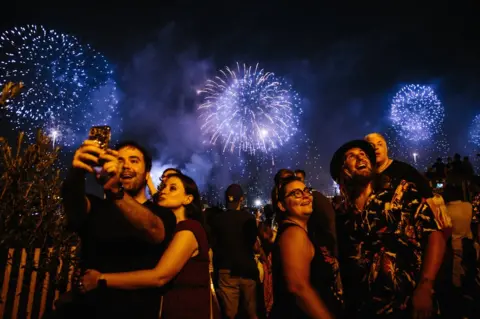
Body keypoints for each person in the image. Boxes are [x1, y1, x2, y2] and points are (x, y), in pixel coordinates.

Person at [332, 140, 448, 318]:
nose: (361, 156)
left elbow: (435, 233)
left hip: (409, 305)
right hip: (364, 310)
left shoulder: (401, 193)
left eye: (363, 154)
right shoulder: (342, 216)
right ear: (344, 171)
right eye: (351, 156)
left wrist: (426, 285)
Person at [61, 140, 177, 318]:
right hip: (87, 311)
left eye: (134, 160)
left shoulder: (162, 214)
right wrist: (77, 172)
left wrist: (115, 191)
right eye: (120, 160)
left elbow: (154, 231)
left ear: (147, 174)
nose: (126, 166)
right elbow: (73, 205)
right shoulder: (96, 206)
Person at [81, 173, 213, 318]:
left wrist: (100, 279)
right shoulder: (170, 231)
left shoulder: (189, 229)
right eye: (163, 187)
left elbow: (159, 277)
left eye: (172, 188)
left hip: (187, 311)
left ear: (188, 199)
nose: (164, 191)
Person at [270, 176, 343, 319]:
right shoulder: (293, 234)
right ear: (281, 205)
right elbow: (298, 288)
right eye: (296, 193)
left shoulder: (305, 232)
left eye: (306, 190)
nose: (305, 195)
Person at [210, 184, 259, 319]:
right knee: (252, 312)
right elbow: (254, 244)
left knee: (230, 314)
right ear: (241, 199)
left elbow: (213, 245)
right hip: (247, 269)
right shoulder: (249, 218)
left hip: (226, 270)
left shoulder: (217, 219)